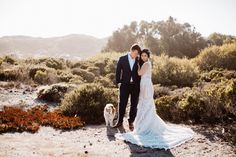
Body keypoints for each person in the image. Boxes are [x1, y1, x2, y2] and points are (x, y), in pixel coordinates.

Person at [115, 49, 194, 150]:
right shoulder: (138, 62)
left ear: (148, 56)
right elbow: (122, 71)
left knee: (144, 104)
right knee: (143, 104)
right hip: (142, 84)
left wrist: (138, 65)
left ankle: (145, 125)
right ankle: (138, 123)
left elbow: (139, 74)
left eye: (145, 56)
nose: (143, 57)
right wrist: (120, 81)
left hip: (145, 85)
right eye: (142, 55)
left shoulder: (145, 64)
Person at [113, 44, 141, 131]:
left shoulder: (138, 60)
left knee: (134, 105)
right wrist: (119, 82)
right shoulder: (122, 59)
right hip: (124, 85)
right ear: (131, 51)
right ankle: (119, 121)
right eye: (135, 53)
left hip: (135, 86)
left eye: (137, 54)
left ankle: (131, 121)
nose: (136, 55)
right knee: (122, 104)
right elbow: (118, 71)